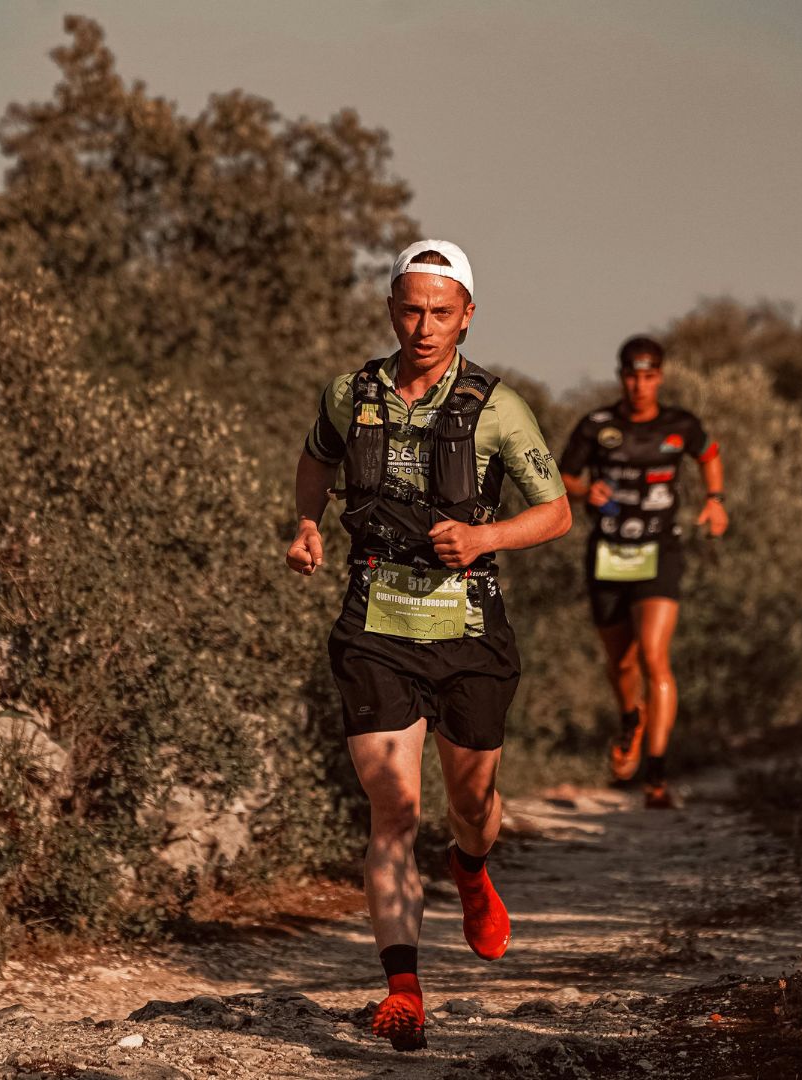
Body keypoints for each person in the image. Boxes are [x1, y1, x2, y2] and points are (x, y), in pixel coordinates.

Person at [285, 240, 571, 1051]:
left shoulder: (498, 407)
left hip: (469, 631)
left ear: (467, 316)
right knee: (395, 808)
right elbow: (316, 459)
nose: (424, 325)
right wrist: (307, 524)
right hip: (375, 626)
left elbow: (556, 512)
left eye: (441, 312)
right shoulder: (351, 393)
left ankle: (473, 871)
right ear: (390, 309)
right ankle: (404, 990)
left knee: (472, 808)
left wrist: (485, 539)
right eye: (411, 308)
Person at [559, 337, 727, 808]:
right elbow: (563, 475)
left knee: (655, 655)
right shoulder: (597, 425)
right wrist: (583, 490)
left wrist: (716, 501)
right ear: (621, 377)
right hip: (609, 552)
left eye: (649, 375)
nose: (640, 384)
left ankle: (656, 772)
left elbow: (709, 453)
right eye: (632, 375)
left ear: (661, 377)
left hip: (660, 550)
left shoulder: (681, 424)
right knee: (623, 663)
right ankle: (630, 717)